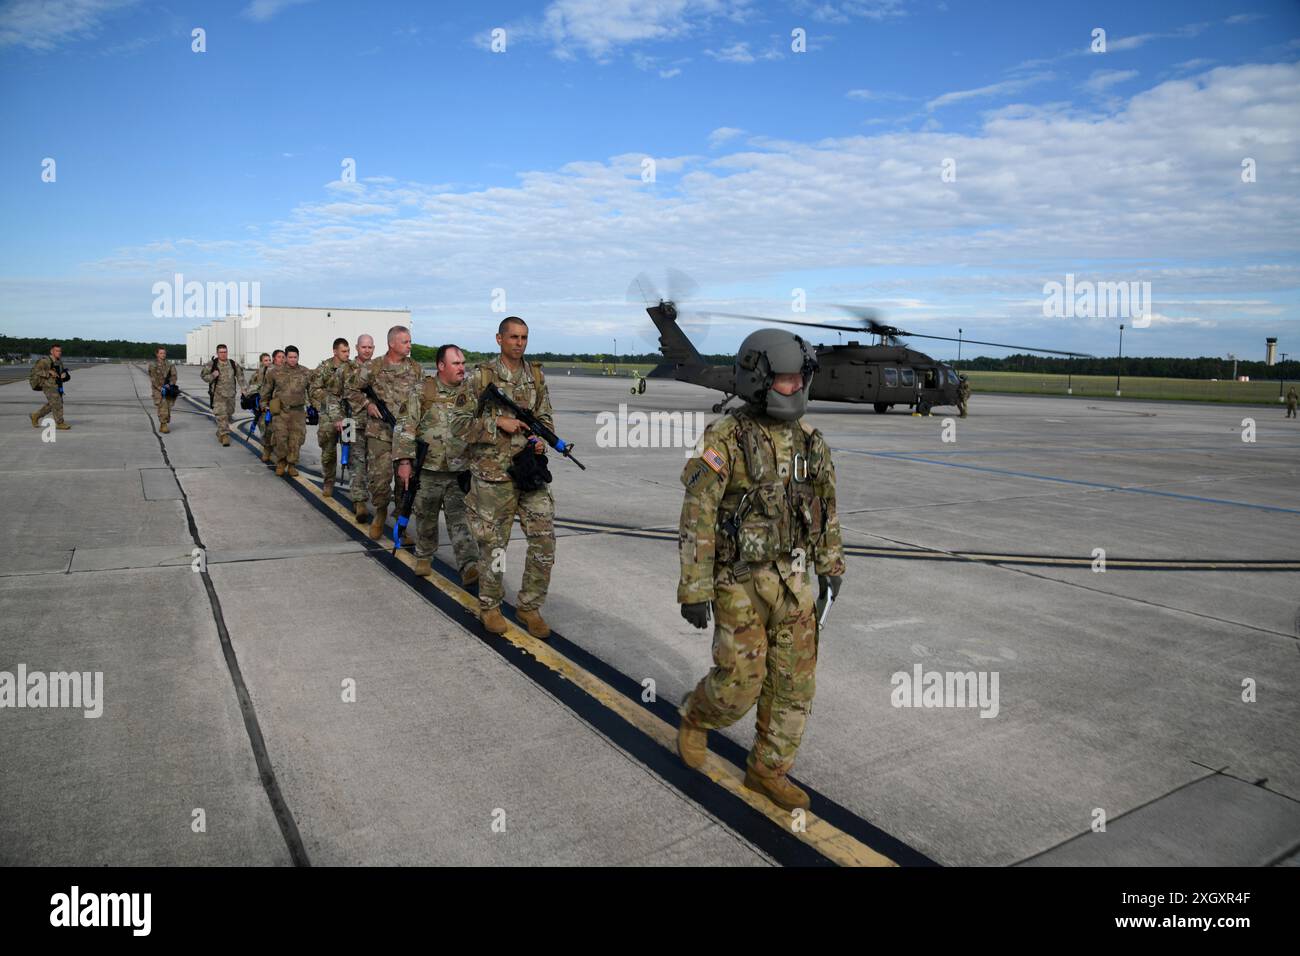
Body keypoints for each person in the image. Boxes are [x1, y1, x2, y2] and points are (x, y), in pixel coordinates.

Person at [675, 328, 845, 812]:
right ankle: (696, 715)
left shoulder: (813, 443)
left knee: (794, 684)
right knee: (739, 685)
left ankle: (768, 769)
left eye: (798, 378)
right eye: (784, 379)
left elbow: (826, 509)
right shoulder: (725, 439)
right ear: (757, 378)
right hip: (739, 582)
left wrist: (831, 564)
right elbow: (698, 514)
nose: (794, 387)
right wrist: (694, 587)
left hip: (794, 582)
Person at [456, 317, 556, 639]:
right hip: (493, 477)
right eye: (513, 337)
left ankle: (529, 605)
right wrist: (497, 422)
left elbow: (545, 418)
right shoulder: (480, 376)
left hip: (528, 472)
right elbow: (457, 425)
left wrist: (543, 438)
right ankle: (490, 605)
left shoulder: (536, 376)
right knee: (495, 547)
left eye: (524, 337)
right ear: (499, 339)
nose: (519, 343)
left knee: (544, 539)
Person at [393, 344, 480, 585]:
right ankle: (424, 555)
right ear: (441, 366)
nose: (462, 368)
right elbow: (405, 425)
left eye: (463, 363)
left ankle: (469, 565)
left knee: (460, 518)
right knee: (426, 515)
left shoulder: (471, 393)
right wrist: (404, 461)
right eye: (456, 363)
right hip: (429, 468)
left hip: (460, 468)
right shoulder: (423, 390)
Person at [347, 326, 422, 539]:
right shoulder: (373, 367)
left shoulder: (416, 368)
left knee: (404, 483)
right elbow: (352, 390)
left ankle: (400, 524)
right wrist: (367, 404)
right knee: (379, 479)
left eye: (409, 341)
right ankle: (380, 513)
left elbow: (424, 398)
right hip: (379, 432)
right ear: (392, 344)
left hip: (405, 435)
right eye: (405, 342)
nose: (409, 345)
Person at [308, 338, 352, 497]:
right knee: (328, 452)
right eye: (344, 351)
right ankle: (328, 481)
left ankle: (355, 490)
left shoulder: (352, 367)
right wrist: (328, 403)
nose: (347, 354)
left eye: (348, 351)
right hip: (328, 416)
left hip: (348, 417)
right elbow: (314, 390)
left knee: (351, 450)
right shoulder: (324, 368)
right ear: (335, 351)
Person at [259, 345, 312, 476]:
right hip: (281, 411)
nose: (293, 360)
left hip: (298, 412)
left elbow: (311, 391)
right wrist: (263, 403)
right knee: (281, 438)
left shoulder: (305, 372)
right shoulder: (275, 372)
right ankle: (281, 462)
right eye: (290, 357)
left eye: (295, 357)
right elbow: (267, 389)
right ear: (286, 358)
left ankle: (292, 464)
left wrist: (315, 407)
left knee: (296, 440)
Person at [345, 334, 376, 522]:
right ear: (357, 347)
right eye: (364, 347)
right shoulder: (346, 369)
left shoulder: (378, 369)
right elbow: (336, 396)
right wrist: (338, 419)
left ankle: (369, 496)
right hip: (351, 422)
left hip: (375, 425)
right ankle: (359, 502)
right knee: (356, 462)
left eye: (370, 347)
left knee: (373, 464)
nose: (367, 350)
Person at [199, 344, 244, 446]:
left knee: (228, 414)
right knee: (221, 415)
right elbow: (203, 376)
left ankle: (220, 432)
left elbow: (240, 377)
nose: (223, 354)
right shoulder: (212, 364)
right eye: (221, 352)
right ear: (217, 353)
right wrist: (212, 375)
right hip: (218, 395)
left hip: (231, 395)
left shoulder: (233, 364)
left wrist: (244, 389)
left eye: (225, 352)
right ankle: (224, 436)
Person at [29, 344, 71, 430]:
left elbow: (62, 374)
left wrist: (65, 375)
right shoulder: (44, 361)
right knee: (57, 403)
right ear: (51, 351)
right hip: (46, 384)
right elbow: (35, 371)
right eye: (57, 351)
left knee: (53, 404)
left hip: (56, 385)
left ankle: (35, 416)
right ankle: (60, 423)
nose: (59, 353)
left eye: (60, 351)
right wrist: (48, 372)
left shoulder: (59, 361)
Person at [148, 346, 178, 433]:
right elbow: (153, 378)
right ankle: (164, 424)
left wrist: (170, 384)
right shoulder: (153, 365)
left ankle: (163, 423)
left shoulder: (170, 364)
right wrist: (160, 388)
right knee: (162, 406)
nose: (163, 355)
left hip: (168, 388)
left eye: (164, 353)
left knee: (168, 407)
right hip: (158, 390)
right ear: (157, 354)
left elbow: (174, 375)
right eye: (161, 353)